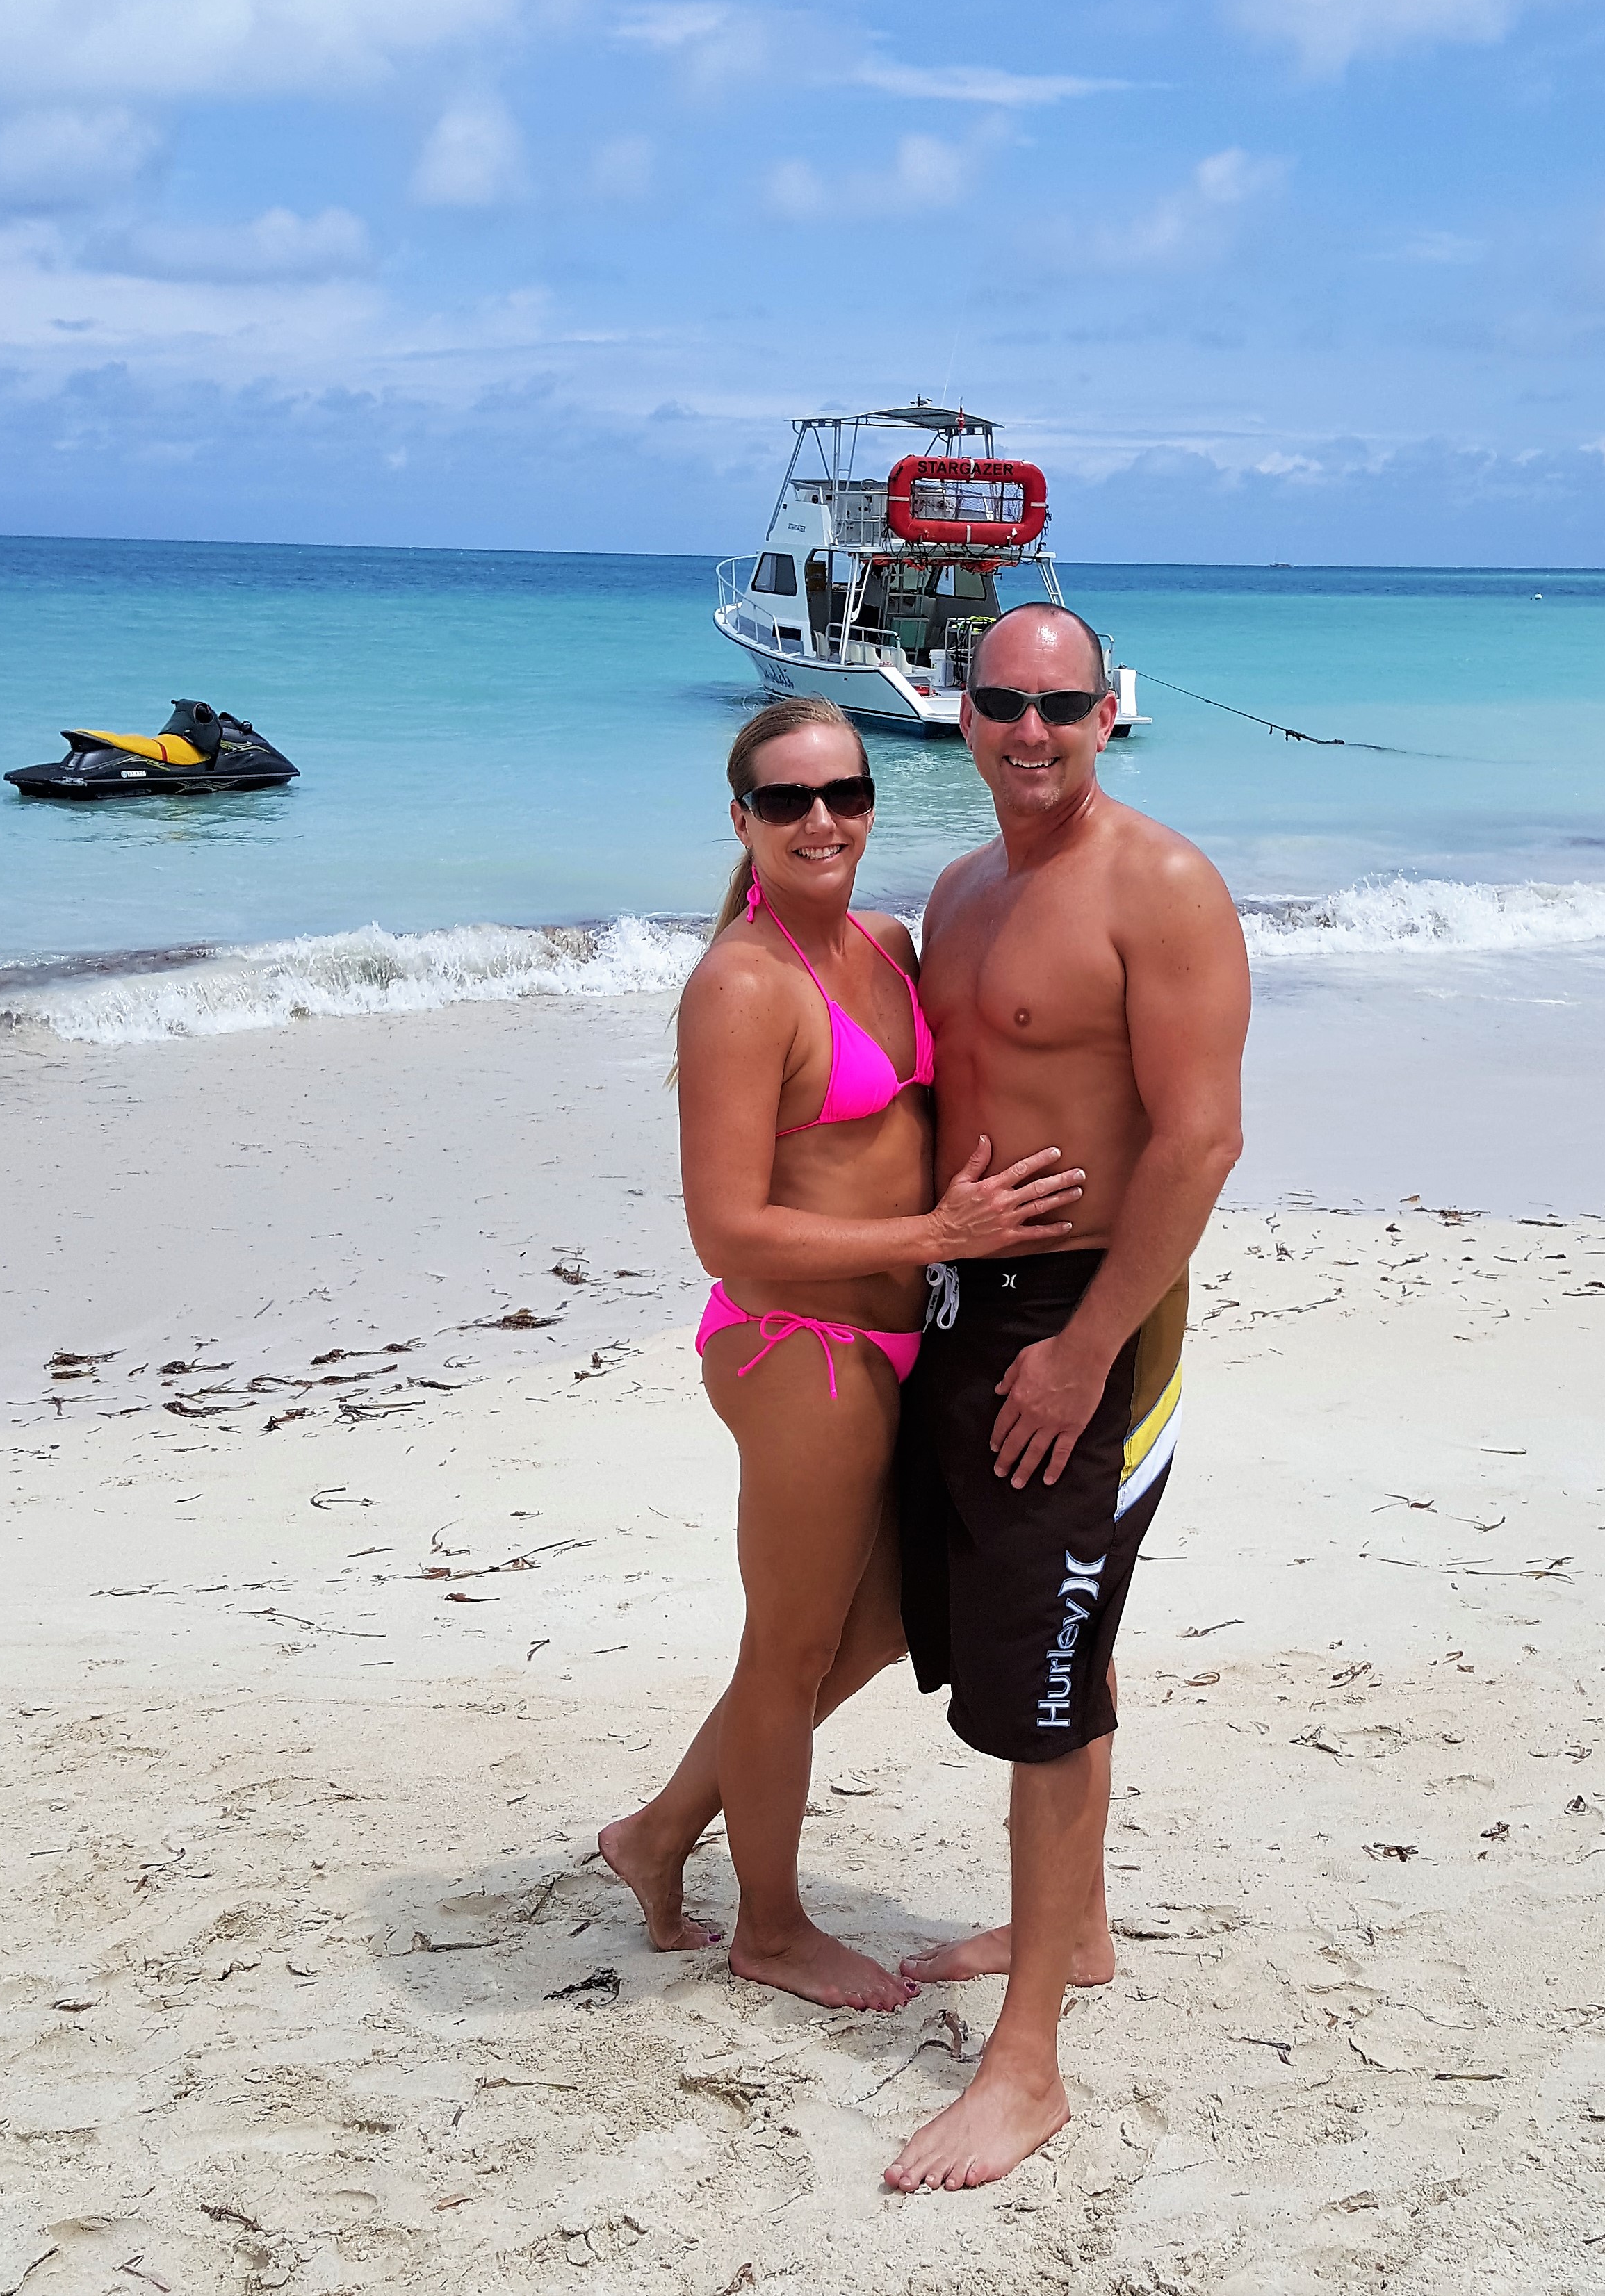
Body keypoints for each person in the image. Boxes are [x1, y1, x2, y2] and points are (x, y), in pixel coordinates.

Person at [599, 696, 1086, 2012]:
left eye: (845, 794)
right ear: (742, 820)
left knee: (871, 1627)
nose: (822, 821)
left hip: (905, 1339)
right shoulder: (741, 986)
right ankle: (769, 1928)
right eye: (787, 800)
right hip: (798, 1348)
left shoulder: (889, 941)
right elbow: (726, 1229)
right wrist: (938, 1233)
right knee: (790, 1650)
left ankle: (658, 1831)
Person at [883, 603, 1250, 2190]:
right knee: (1029, 1633)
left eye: (1059, 704)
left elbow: (1200, 1139)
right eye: (1001, 702)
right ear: (961, 713)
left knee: (1045, 1679)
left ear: (1108, 714)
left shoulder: (1159, 885)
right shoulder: (960, 889)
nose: (1028, 730)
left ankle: (1026, 2064)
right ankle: (1077, 1930)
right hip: (969, 1306)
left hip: (1095, 1317)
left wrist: (1087, 1347)